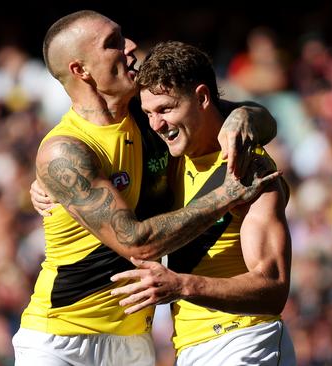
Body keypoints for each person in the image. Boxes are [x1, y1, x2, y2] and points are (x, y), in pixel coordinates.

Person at [15, 10, 279, 366]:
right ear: (81, 70)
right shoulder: (66, 151)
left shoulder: (151, 117)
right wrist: (227, 195)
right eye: (113, 43)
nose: (131, 46)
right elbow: (137, 243)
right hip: (61, 338)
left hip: (133, 343)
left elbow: (257, 119)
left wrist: (242, 116)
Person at [110, 41, 296, 365]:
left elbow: (273, 287)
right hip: (192, 348)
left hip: (248, 341)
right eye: (148, 113)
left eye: (166, 109)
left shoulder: (249, 169)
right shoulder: (169, 158)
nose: (156, 125)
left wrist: (182, 285)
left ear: (202, 98)